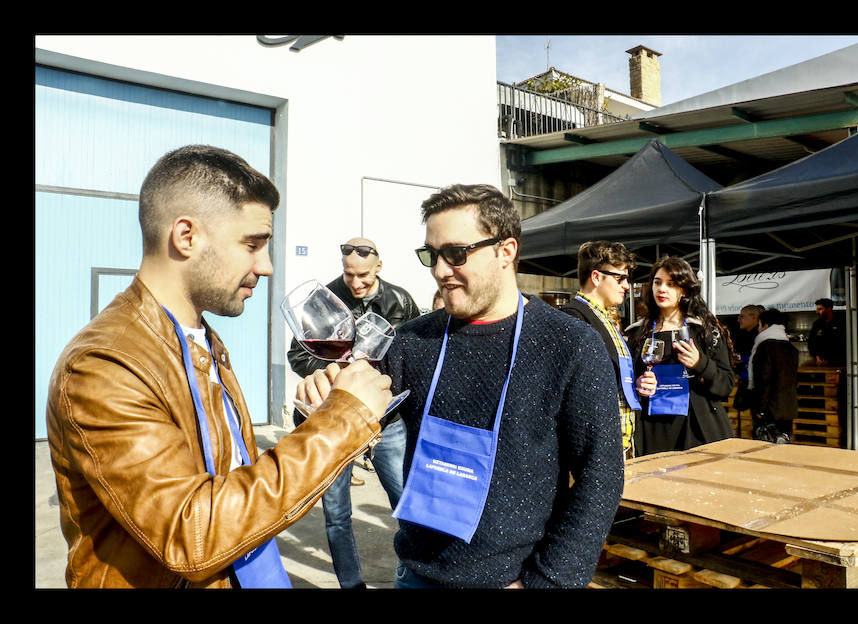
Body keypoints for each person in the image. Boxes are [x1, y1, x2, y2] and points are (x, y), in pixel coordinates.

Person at [45, 145, 392, 588]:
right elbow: (193, 534)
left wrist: (321, 416)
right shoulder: (104, 366)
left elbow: (232, 483)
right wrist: (343, 422)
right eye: (252, 245)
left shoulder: (203, 341)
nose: (265, 267)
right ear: (186, 236)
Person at [300, 183, 624, 589]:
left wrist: (548, 581)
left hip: (512, 580)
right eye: (431, 255)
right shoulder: (414, 341)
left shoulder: (569, 345)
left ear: (506, 252)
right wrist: (321, 394)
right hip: (416, 576)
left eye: (455, 254)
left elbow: (602, 475)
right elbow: (356, 415)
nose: (439, 270)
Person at [286, 237, 419, 589]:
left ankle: (412, 576)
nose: (356, 283)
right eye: (349, 275)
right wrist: (332, 369)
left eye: (363, 275)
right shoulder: (322, 301)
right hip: (333, 421)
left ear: (379, 267)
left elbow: (417, 356)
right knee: (336, 516)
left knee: (407, 507)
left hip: (385, 421)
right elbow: (299, 355)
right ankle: (352, 586)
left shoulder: (401, 300)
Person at [625, 256, 736, 456]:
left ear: (684, 290)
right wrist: (638, 384)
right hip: (652, 430)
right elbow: (626, 383)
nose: (662, 289)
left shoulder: (705, 331)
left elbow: (726, 384)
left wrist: (701, 363)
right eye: (657, 283)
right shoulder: (636, 334)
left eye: (671, 284)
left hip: (696, 430)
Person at [560, 241, 657, 459]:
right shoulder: (573, 317)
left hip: (619, 444)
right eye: (619, 278)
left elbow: (609, 377)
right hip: (595, 449)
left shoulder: (602, 317)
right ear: (596, 277)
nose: (626, 285)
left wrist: (636, 383)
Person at [749, 308, 799, 444]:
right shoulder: (791, 349)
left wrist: (760, 409)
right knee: (785, 447)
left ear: (766, 326)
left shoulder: (764, 348)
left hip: (769, 409)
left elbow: (763, 381)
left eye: (759, 325)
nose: (758, 330)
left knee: (765, 448)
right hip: (788, 408)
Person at [732, 304, 764, 413]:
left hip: (757, 385)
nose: (739, 320)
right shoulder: (741, 334)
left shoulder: (761, 336)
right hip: (745, 381)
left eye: (742, 317)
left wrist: (743, 360)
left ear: (754, 317)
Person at [807, 297, 845, 366]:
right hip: (819, 360)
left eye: (820, 309)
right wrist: (817, 356)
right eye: (817, 309)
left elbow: (842, 344)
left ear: (829, 309)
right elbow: (811, 343)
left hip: (838, 360)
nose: (817, 312)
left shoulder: (841, 322)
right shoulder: (817, 324)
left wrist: (830, 361)